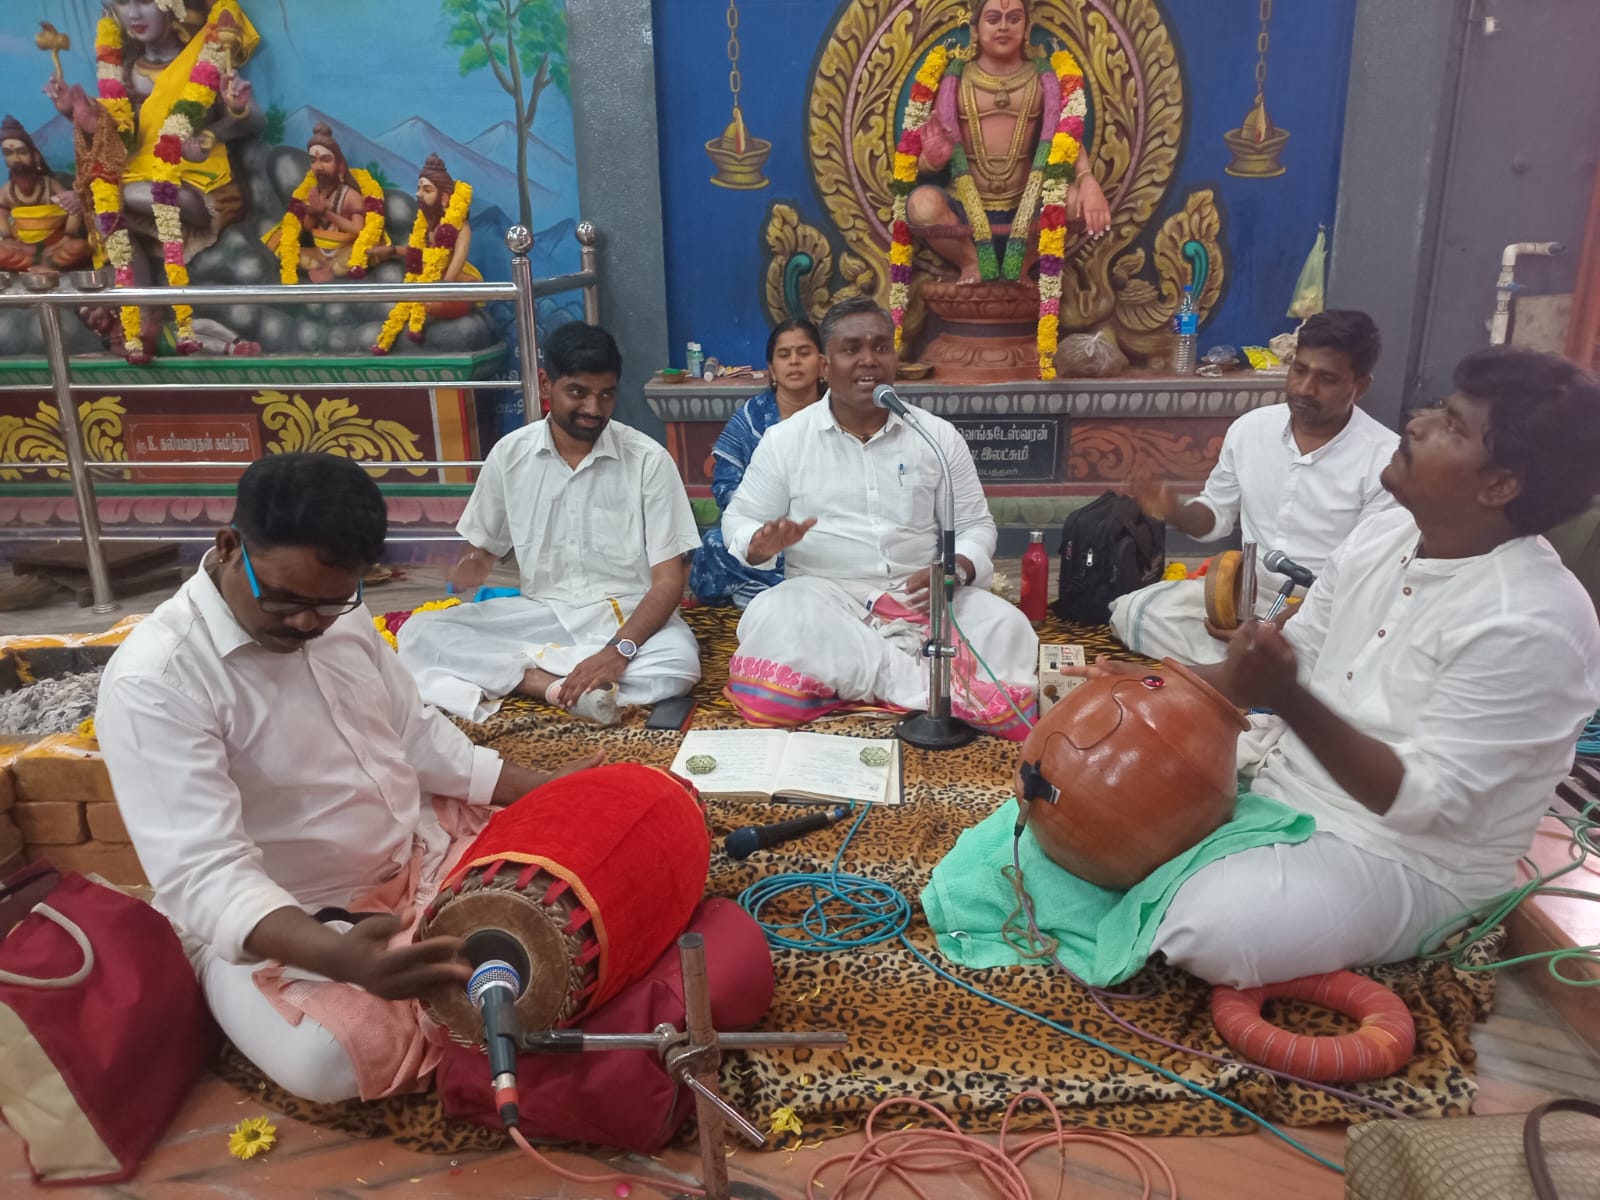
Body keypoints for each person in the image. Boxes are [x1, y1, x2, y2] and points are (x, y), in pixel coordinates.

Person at [95, 452, 601, 1103]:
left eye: (329, 604)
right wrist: (342, 959)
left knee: (569, 882)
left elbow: (416, 736)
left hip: (422, 850)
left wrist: (546, 789)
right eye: (286, 600)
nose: (308, 623)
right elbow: (206, 875)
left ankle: (450, 1000)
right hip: (290, 917)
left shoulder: (339, 614)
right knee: (328, 1062)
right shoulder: (157, 681)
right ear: (228, 546)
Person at [1138, 347, 1600, 985]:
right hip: (1284, 776)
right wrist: (1143, 687)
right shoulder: (1384, 534)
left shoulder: (1533, 621)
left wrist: (1289, 698)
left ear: (1499, 485)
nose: (1417, 423)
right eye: (1438, 410)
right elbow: (1292, 658)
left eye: (1451, 426)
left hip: (1408, 856)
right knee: (1083, 802)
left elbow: (1422, 804)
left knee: (1205, 928)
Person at [721, 297, 1037, 738]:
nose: (869, 359)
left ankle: (858, 683)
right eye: (851, 349)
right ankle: (932, 688)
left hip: (923, 599)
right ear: (825, 366)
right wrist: (759, 542)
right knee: (776, 614)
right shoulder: (785, 441)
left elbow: (975, 526)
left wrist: (957, 568)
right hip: (827, 600)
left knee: (1008, 626)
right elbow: (739, 519)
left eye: (881, 347)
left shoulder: (935, 436)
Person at [398, 322, 702, 724]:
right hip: (542, 615)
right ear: (546, 384)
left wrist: (619, 650)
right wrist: (470, 565)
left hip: (625, 617)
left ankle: (524, 673)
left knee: (678, 667)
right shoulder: (510, 455)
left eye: (606, 395)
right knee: (419, 632)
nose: (594, 409)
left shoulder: (648, 460)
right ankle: (552, 686)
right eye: (578, 392)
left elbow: (668, 583)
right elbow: (482, 550)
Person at [1110, 309, 1398, 663]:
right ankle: (1259, 676)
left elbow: (1363, 578)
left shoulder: (1387, 460)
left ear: (1360, 387)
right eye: (1300, 370)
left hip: (1327, 609)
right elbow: (1214, 517)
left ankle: (1250, 672)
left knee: (1351, 656)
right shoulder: (1251, 429)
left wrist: (1276, 627)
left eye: (1327, 379)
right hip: (1248, 595)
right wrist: (1176, 511)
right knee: (1134, 612)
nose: (1305, 389)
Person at [906, 0, 1112, 283]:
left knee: (1074, 200)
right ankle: (971, 261)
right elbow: (919, 161)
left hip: (1026, 206)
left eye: (1014, 19)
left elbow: (1066, 136)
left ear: (1027, 28)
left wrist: (1087, 180)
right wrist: (931, 161)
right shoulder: (956, 80)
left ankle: (1023, 264)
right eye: (993, 19)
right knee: (921, 205)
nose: (1004, 27)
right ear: (975, 29)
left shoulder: (1042, 79)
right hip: (963, 206)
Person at [690, 319, 825, 607]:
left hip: (821, 529)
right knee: (714, 545)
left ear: (822, 364)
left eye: (804, 353)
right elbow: (726, 488)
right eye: (784, 355)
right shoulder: (751, 418)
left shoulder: (838, 413)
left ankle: (759, 591)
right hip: (763, 533)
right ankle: (766, 590)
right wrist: (765, 528)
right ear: (772, 369)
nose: (794, 361)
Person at [264, 123, 381, 283]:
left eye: (326, 160)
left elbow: (357, 229)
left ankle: (330, 270)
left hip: (345, 250)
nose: (318, 167)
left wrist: (326, 213)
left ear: (340, 165)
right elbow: (307, 228)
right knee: (288, 250)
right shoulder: (313, 191)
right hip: (318, 252)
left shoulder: (351, 196)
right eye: (314, 160)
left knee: (355, 258)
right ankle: (323, 267)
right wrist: (312, 213)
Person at [370, 154, 480, 321]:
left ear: (444, 198)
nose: (418, 194)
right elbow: (419, 254)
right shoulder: (426, 223)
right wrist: (392, 250)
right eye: (419, 189)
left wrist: (441, 289)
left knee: (430, 304)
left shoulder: (460, 227)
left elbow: (457, 261)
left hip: (454, 281)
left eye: (427, 190)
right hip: (427, 279)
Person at [0, 115, 89, 273]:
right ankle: (41, 265)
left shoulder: (49, 184)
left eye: (22, 152)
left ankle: (46, 265)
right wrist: (8, 238)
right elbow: (1, 214)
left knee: (78, 247)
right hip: (23, 248)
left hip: (55, 245)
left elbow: (73, 209)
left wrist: (68, 236)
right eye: (8, 153)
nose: (16, 159)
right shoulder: (7, 190)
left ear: (35, 156)